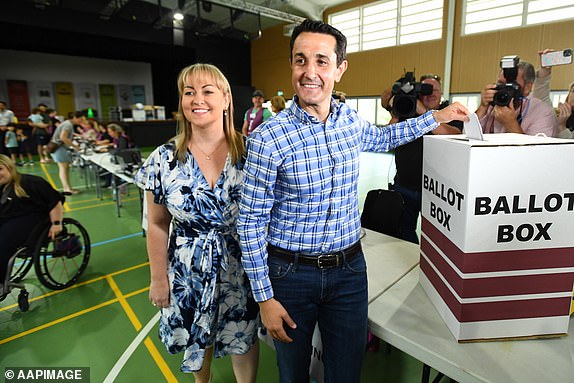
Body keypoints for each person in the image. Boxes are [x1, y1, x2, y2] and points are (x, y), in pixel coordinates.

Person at [237, 19, 469, 383]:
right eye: (301, 61)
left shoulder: (349, 120)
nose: (309, 72)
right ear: (292, 65)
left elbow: (383, 136)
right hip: (290, 275)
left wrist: (435, 118)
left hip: (349, 273)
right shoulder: (268, 139)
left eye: (321, 61)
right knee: (292, 375)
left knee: (346, 375)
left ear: (340, 69)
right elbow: (249, 222)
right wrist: (265, 299)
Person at [134, 63, 259, 383]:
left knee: (242, 339)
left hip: (241, 267)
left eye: (207, 91)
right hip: (186, 270)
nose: (197, 99)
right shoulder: (163, 159)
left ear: (226, 98)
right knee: (196, 336)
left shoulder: (252, 153)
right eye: (189, 92)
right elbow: (158, 224)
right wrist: (158, 278)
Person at [389, 74, 463, 244]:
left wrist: (424, 113)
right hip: (404, 185)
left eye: (434, 90)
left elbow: (453, 135)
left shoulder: (450, 112)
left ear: (441, 92)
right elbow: (389, 137)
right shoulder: (408, 111)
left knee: (438, 234)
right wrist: (397, 110)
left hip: (436, 190)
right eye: (425, 90)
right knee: (403, 230)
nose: (430, 94)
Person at [0, 154, 63, 283]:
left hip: (32, 219)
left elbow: (55, 202)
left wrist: (56, 224)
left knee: (3, 240)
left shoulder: (31, 182)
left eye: (0, 169)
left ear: (9, 167)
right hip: (7, 219)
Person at [476, 59, 557, 136]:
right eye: (501, 83)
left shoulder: (543, 112)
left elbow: (536, 149)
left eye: (511, 85)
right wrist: (482, 107)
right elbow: (468, 136)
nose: (504, 90)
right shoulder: (494, 102)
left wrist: (510, 124)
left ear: (527, 88)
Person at [533, 49, 574, 138]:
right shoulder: (559, 113)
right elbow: (541, 100)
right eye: (573, 91)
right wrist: (545, 71)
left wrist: (561, 127)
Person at [50, 111, 83, 194]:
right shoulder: (68, 125)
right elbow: (63, 137)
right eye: (80, 119)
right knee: (64, 169)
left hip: (59, 149)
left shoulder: (67, 124)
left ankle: (67, 188)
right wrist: (75, 147)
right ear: (75, 117)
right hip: (60, 149)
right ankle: (67, 189)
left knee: (64, 168)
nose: (81, 121)